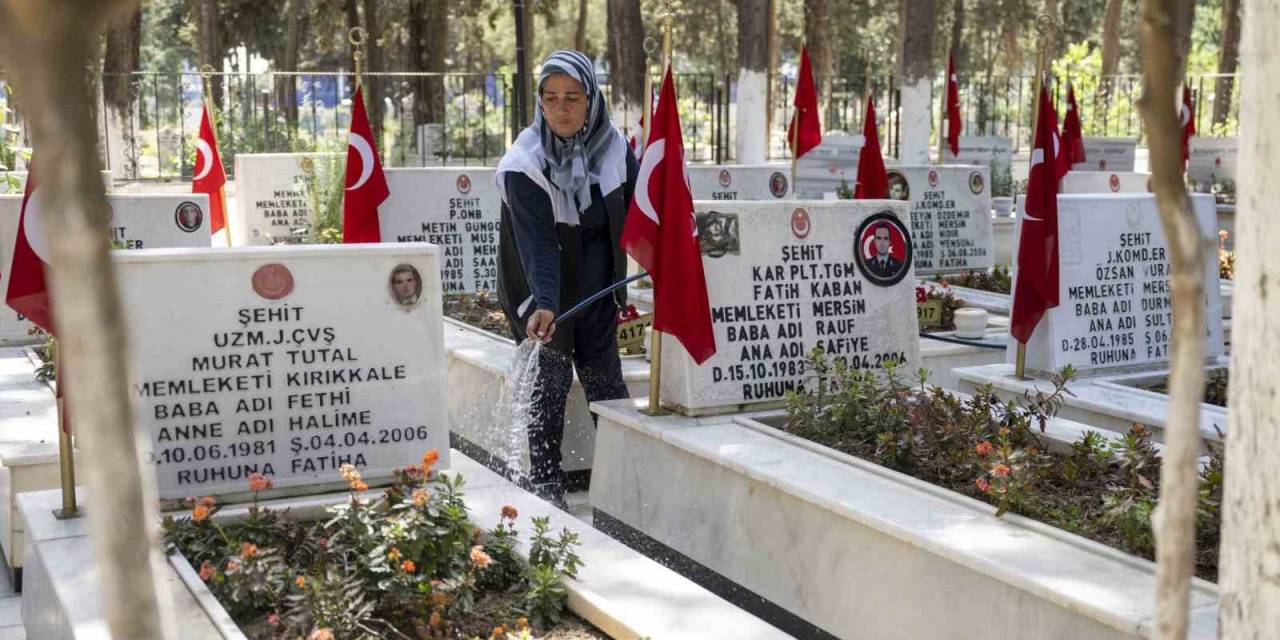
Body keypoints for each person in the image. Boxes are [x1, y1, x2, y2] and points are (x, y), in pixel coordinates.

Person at [494, 50, 637, 507]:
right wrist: (546, 303)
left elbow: (640, 215)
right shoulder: (524, 163)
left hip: (596, 290)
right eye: (551, 98)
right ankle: (547, 488)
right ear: (539, 102)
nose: (561, 109)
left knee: (608, 389)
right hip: (541, 293)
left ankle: (625, 485)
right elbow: (537, 245)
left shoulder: (614, 149)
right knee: (549, 386)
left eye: (573, 97)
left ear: (592, 99)